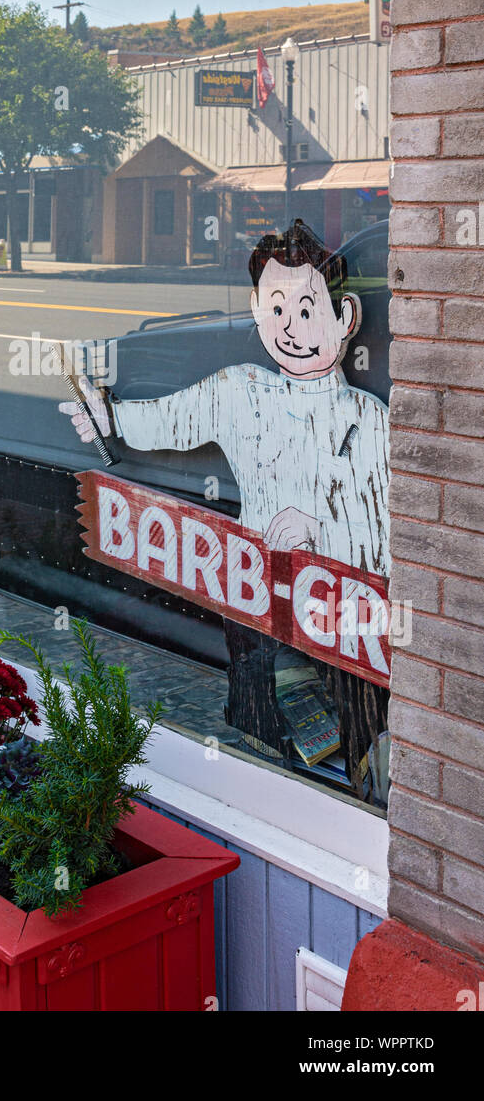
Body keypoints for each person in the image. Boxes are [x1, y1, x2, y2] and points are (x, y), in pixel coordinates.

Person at [59, 220, 390, 789]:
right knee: (258, 706)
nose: (292, 329)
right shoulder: (239, 392)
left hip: (343, 614)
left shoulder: (369, 421)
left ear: (345, 320)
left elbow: (388, 534)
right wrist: (108, 417)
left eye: (308, 311)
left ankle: (362, 790)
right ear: (257, 312)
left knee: (363, 728)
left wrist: (320, 529)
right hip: (254, 597)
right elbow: (171, 420)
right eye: (277, 310)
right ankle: (261, 778)